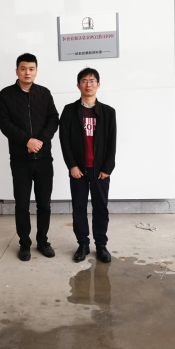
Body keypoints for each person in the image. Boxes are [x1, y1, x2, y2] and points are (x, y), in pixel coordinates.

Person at [0, 53, 60, 261]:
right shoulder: (6, 95)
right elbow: (5, 123)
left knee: (44, 204)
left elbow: (53, 118)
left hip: (44, 160)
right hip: (20, 161)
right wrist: (27, 141)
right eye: (23, 68)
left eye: (31, 69)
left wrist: (40, 140)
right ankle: (24, 244)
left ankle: (43, 241)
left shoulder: (44, 93)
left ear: (36, 71)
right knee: (22, 205)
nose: (27, 72)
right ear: (17, 71)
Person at [59, 67, 117, 263]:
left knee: (101, 207)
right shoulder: (69, 111)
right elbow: (64, 140)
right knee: (79, 207)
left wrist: (107, 168)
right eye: (84, 81)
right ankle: (83, 244)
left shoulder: (108, 112)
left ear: (98, 85)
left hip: (100, 170)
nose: (88, 84)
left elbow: (112, 142)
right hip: (79, 170)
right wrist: (72, 165)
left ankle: (101, 245)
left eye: (92, 81)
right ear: (78, 85)